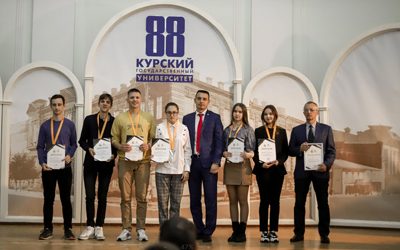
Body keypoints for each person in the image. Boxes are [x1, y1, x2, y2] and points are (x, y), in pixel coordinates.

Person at [111, 88, 155, 242]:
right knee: (125, 197)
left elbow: (153, 139)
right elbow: (113, 139)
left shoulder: (148, 117)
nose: (134, 100)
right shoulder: (120, 118)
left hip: (143, 162)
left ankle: (141, 229)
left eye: (137, 97)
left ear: (140, 99)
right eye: (131, 97)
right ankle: (126, 229)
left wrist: (148, 145)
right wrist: (119, 146)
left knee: (142, 197)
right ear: (127, 100)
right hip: (125, 161)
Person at [288, 101, 336, 244]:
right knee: (299, 204)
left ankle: (324, 234)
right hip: (302, 173)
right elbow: (290, 150)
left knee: (322, 203)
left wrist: (326, 165)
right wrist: (299, 150)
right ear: (303, 113)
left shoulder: (326, 130)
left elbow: (332, 151)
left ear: (317, 112)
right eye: (306, 110)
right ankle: (298, 234)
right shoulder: (296, 130)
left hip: (320, 172)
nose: (309, 112)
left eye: (312, 110)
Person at [182, 90, 223, 242]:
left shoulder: (215, 118)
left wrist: (216, 161)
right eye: (198, 98)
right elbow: (184, 142)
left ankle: (208, 231)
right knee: (194, 199)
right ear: (194, 99)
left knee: (210, 199)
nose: (201, 101)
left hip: (209, 165)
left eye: (204, 99)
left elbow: (219, 142)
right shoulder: (186, 119)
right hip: (193, 163)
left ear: (208, 101)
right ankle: (199, 228)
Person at [36, 94, 77, 240]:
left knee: (66, 199)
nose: (57, 107)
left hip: (65, 167)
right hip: (48, 168)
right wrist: (42, 162)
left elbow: (74, 144)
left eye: (59, 104)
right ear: (50, 106)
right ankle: (47, 229)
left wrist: (69, 155)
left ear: (64, 106)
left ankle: (68, 229)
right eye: (54, 105)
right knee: (48, 199)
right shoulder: (44, 126)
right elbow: (40, 146)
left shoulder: (70, 125)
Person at [78, 93, 116, 240]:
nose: (105, 104)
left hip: (106, 164)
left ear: (110, 105)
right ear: (99, 104)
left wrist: (115, 155)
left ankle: (99, 226)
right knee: (89, 196)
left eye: (107, 102)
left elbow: (118, 142)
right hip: (90, 163)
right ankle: (89, 226)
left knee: (102, 196)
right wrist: (89, 148)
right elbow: (81, 141)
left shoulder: (114, 121)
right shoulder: (89, 120)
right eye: (102, 101)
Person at [253, 105, 289, 243]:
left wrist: (279, 161)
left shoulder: (282, 131)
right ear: (263, 116)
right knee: (264, 201)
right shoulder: (258, 131)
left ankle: (273, 231)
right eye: (266, 114)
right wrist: (260, 163)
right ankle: (263, 232)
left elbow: (285, 151)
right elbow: (254, 152)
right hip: (263, 170)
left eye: (271, 114)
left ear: (275, 116)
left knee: (275, 202)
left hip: (277, 170)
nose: (268, 116)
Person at [222, 103, 255, 242]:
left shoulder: (248, 129)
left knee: (243, 201)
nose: (237, 114)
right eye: (235, 111)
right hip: (230, 167)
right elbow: (222, 149)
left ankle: (242, 232)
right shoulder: (226, 130)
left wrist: (249, 155)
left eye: (240, 112)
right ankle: (235, 231)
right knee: (232, 201)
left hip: (243, 167)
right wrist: (224, 153)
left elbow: (253, 150)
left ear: (244, 114)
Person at [154, 102, 192, 226]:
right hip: (162, 171)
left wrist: (186, 169)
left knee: (175, 204)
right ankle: (164, 232)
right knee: (163, 204)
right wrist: (154, 156)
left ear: (178, 113)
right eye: (169, 112)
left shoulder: (184, 129)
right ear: (166, 113)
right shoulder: (159, 127)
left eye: (174, 112)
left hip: (178, 171)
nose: (172, 115)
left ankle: (173, 231)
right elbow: (156, 147)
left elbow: (187, 150)